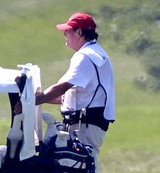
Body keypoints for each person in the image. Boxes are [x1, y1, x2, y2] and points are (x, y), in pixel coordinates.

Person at [34, 12, 115, 154]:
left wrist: (31, 101)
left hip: (84, 125)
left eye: (67, 30)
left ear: (78, 32)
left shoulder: (85, 56)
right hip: (88, 123)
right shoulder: (94, 52)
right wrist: (40, 99)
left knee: (76, 168)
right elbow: (67, 97)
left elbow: (62, 87)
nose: (64, 34)